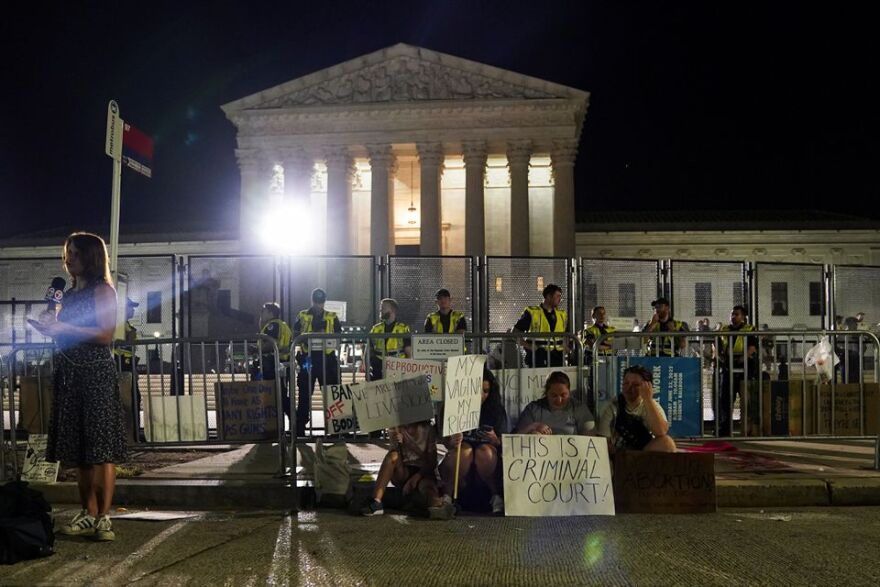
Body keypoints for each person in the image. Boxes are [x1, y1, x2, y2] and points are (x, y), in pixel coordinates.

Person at [29, 232, 126, 542]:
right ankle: (87, 512)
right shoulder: (67, 296)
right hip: (69, 373)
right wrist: (50, 327)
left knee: (100, 448)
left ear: (91, 256)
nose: (68, 259)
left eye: (75, 253)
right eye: (66, 252)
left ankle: (103, 518)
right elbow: (66, 333)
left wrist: (65, 327)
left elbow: (105, 334)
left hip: (95, 374)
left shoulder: (103, 291)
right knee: (80, 450)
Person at [439, 369, 509, 515]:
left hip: (486, 463)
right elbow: (445, 441)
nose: (482, 395)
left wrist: (496, 440)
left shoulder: (496, 410)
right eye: (478, 390)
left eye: (486, 391)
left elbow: (505, 442)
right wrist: (451, 441)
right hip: (461, 464)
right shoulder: (452, 407)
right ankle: (447, 495)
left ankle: (496, 496)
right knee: (465, 451)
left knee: (485, 452)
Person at [361, 420, 454, 520]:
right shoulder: (396, 427)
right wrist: (398, 444)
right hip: (403, 471)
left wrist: (417, 477)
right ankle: (376, 501)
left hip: (423, 473)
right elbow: (394, 457)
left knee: (428, 489)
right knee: (393, 456)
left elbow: (431, 461)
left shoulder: (428, 428)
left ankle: (437, 506)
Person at [292, 289, 340, 437]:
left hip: (327, 359)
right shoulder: (303, 315)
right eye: (317, 301)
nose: (319, 304)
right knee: (305, 395)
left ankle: (335, 429)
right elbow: (295, 335)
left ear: (324, 301)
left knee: (332, 395)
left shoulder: (332, 316)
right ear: (312, 300)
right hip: (308, 359)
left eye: (321, 301)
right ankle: (300, 428)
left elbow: (339, 336)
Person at [598, 365, 676, 453]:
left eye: (635, 385)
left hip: (643, 455)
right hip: (620, 457)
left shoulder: (651, 405)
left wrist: (648, 399)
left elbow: (661, 431)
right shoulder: (612, 407)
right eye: (626, 383)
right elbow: (602, 441)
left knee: (667, 443)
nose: (629, 388)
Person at [714, 305, 758, 437]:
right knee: (725, 400)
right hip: (727, 366)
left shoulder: (749, 329)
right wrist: (720, 357)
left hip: (745, 367)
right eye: (732, 314)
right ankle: (724, 430)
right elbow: (716, 345)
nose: (733, 317)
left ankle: (748, 430)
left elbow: (752, 347)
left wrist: (741, 359)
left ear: (743, 316)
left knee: (747, 400)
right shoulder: (724, 329)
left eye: (736, 314)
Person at [515, 371, 594, 435]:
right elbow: (517, 436)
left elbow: (591, 435)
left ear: (569, 393)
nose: (559, 400)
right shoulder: (533, 409)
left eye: (563, 395)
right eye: (554, 395)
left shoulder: (578, 408)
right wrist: (533, 428)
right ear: (546, 393)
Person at [512, 283, 569, 368]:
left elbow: (566, 334)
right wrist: (529, 346)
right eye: (557, 296)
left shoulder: (562, 314)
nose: (560, 299)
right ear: (549, 296)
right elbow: (515, 333)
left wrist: (566, 346)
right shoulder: (533, 313)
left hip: (557, 358)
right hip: (538, 358)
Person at [112, 297, 141, 441]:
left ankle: (133, 436)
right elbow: (117, 345)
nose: (133, 310)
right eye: (130, 307)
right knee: (127, 406)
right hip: (121, 370)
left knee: (134, 402)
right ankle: (128, 439)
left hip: (127, 369)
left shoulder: (125, 325)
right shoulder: (118, 325)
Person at [368, 298, 411, 380]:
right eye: (380, 308)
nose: (380, 310)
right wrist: (367, 363)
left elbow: (409, 352)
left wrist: (408, 371)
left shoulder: (403, 329)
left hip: (397, 366)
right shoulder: (375, 328)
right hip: (378, 367)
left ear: (393, 310)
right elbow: (369, 349)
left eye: (383, 308)